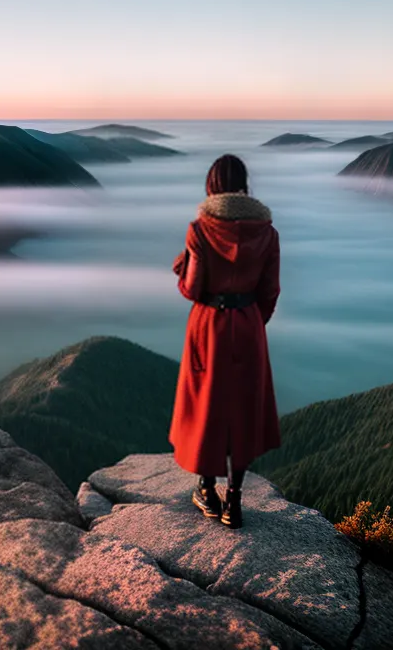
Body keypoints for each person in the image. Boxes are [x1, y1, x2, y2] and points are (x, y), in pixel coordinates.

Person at [169, 154, 281, 529]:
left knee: (207, 405)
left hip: (209, 325)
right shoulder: (267, 231)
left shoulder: (200, 229)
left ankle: (206, 489)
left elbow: (192, 288)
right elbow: (270, 291)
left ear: (211, 186)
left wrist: (180, 267)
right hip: (248, 325)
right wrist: (250, 322)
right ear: (244, 184)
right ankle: (234, 501)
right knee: (244, 409)